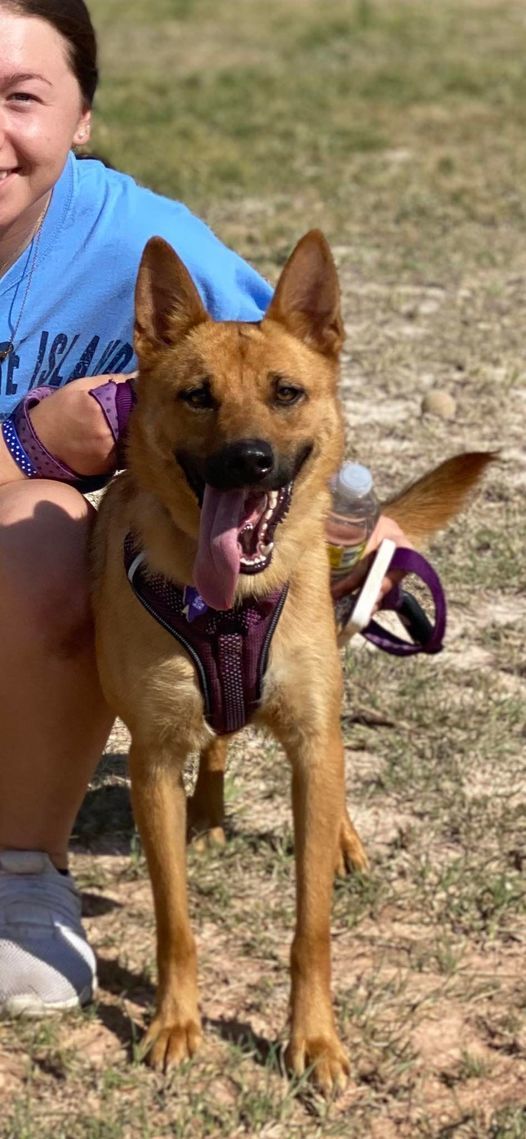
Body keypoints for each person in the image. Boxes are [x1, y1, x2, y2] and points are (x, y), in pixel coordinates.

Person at [0, 0, 407, 1017]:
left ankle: (22, 874)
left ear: (84, 116)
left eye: (19, 97)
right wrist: (26, 443)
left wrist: (360, 511)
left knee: (41, 536)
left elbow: (281, 379)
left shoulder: (141, 241)